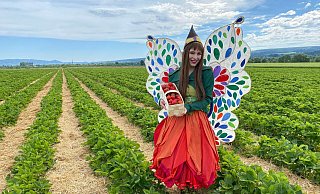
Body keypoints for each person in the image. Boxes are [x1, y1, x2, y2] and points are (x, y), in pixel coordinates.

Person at [150, 26, 220, 191]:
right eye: (192, 53)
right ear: (185, 53)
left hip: (196, 118)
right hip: (177, 119)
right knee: (174, 153)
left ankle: (192, 185)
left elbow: (207, 100)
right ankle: (181, 185)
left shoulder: (206, 72)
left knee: (195, 154)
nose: (195, 57)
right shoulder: (175, 74)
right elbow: (170, 95)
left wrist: (188, 107)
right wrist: (164, 102)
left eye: (199, 53)